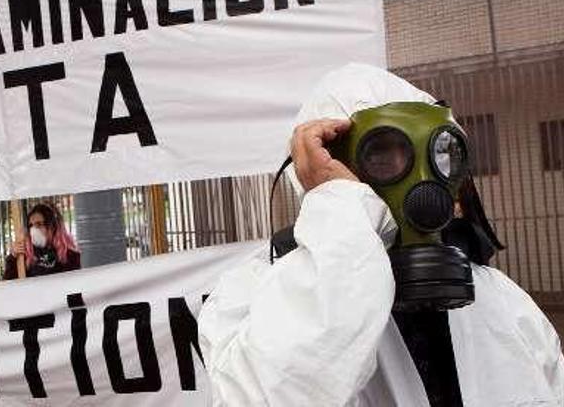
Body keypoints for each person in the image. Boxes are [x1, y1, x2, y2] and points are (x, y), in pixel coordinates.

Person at [198, 63, 563, 406]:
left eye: (439, 155)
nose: (425, 182)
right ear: (325, 166)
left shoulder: (500, 299)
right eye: (382, 155)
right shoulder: (250, 294)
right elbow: (278, 394)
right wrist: (340, 209)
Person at [3, 203, 80, 280]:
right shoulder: (24, 255)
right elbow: (9, 284)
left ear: (51, 227)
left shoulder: (70, 256)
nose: (34, 229)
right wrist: (13, 257)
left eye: (39, 224)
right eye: (31, 225)